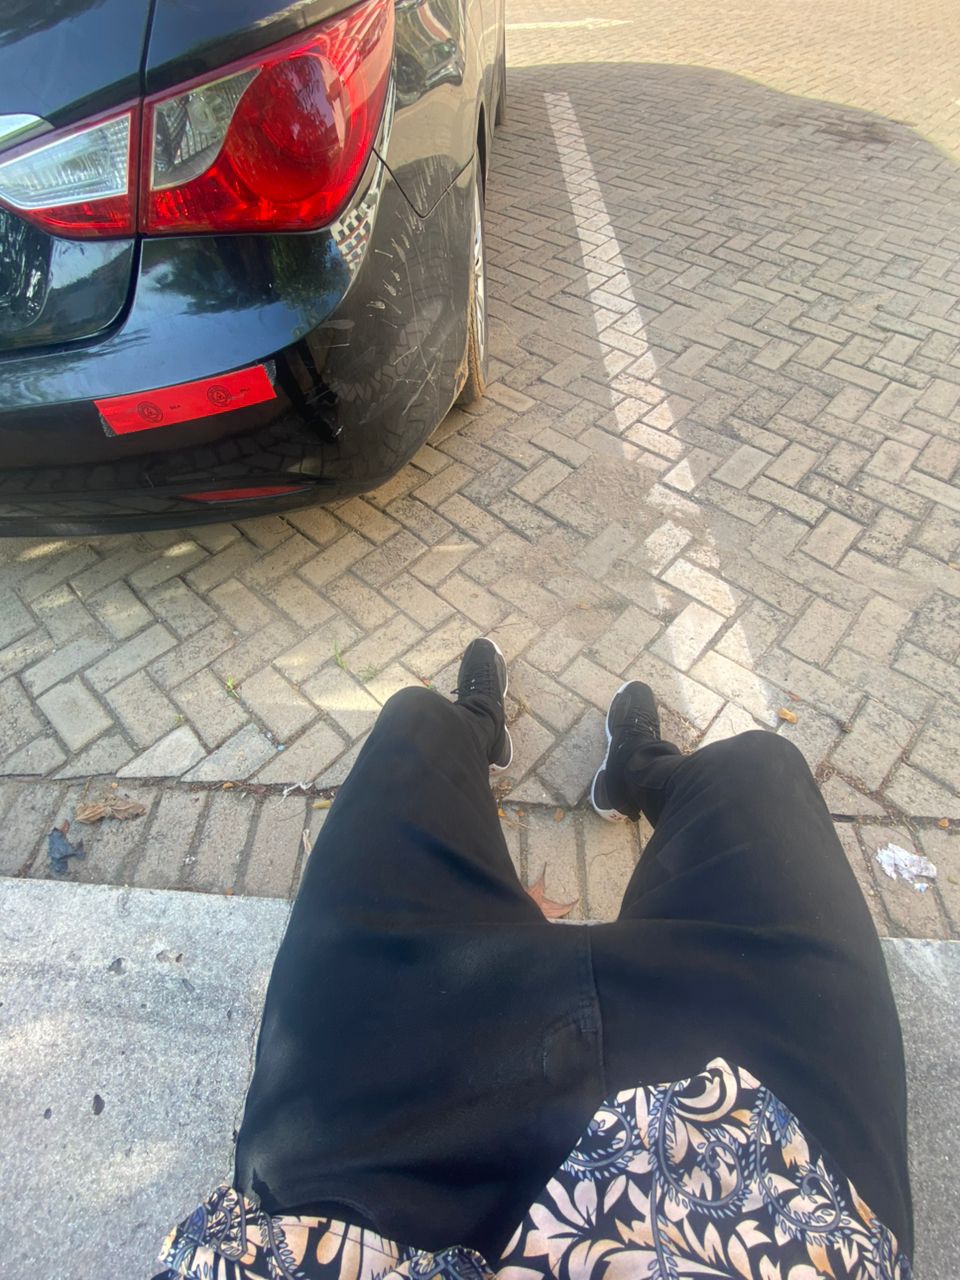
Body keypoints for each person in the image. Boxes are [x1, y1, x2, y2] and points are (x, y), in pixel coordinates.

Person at [155, 637, 913, 1279]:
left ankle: (479, 727)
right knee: (759, 772)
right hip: (769, 1190)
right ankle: (638, 767)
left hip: (361, 1205)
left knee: (413, 726)